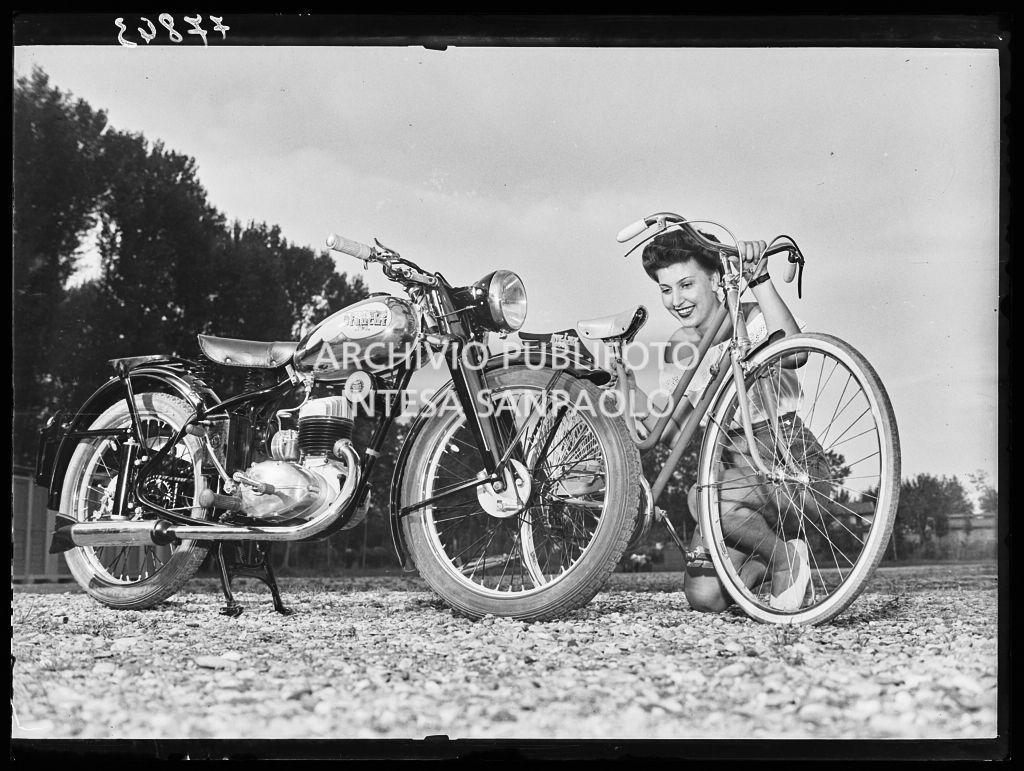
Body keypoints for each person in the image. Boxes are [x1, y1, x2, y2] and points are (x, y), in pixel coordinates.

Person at [631, 225, 822, 613]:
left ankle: (787, 560)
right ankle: (771, 561)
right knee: (705, 597)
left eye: (686, 285)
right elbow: (671, 432)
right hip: (732, 469)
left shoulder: (751, 318)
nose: (676, 300)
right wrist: (624, 392)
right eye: (666, 290)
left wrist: (759, 278)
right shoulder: (680, 345)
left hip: (788, 457)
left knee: (701, 496)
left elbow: (794, 353)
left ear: (717, 278)